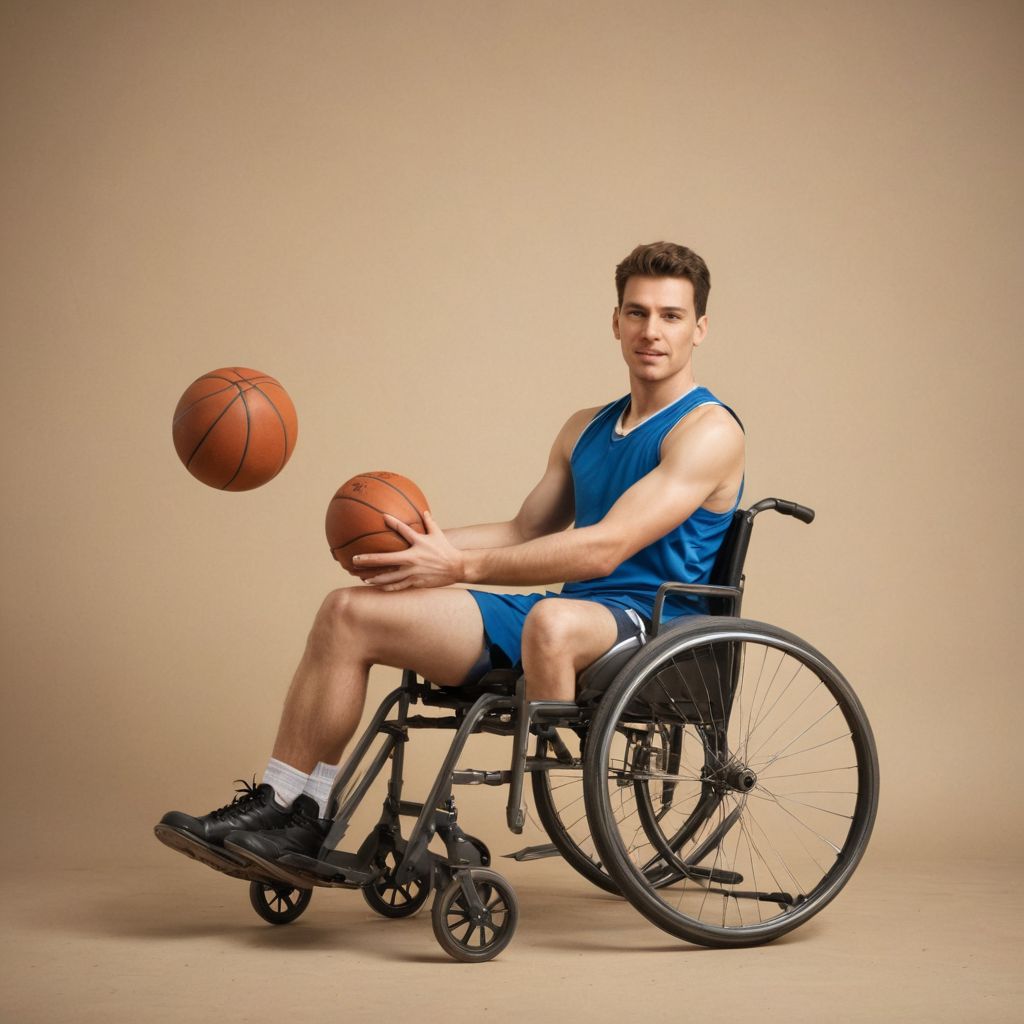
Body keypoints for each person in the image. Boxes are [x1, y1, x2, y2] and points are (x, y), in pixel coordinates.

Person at [155, 241, 746, 876]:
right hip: (567, 614)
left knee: (554, 621)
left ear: (699, 329)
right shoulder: (585, 427)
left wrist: (457, 569)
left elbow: (604, 548)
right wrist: (411, 548)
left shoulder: (708, 431)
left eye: (671, 316)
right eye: (637, 313)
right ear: (615, 321)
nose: (651, 331)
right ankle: (291, 808)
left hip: (647, 629)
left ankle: (301, 811)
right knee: (348, 612)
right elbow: (525, 528)